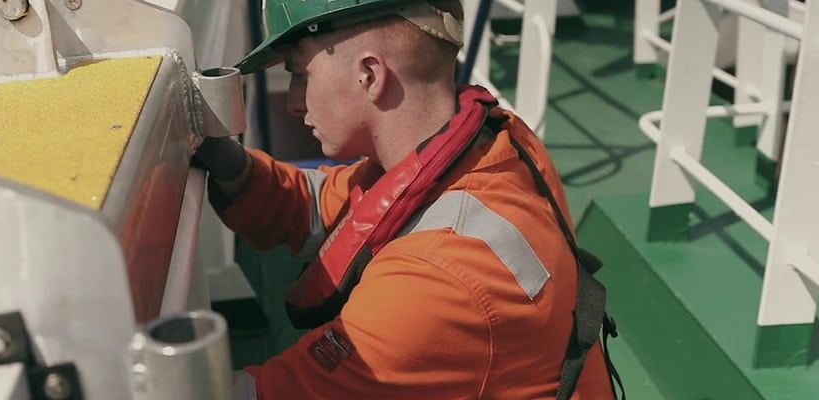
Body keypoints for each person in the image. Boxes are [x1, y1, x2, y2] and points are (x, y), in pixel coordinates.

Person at [192, 0, 617, 398]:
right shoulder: (492, 139)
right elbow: (324, 206)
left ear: (370, 75)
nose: (295, 104)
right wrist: (228, 161)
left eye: (300, 75)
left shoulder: (438, 279)